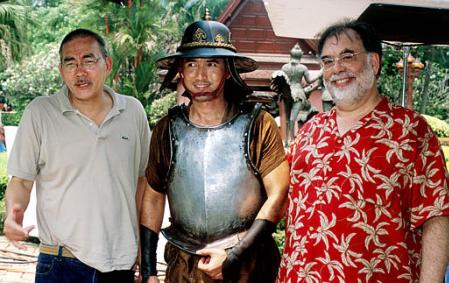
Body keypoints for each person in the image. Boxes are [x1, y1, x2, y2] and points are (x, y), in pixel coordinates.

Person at [277, 20, 449, 282]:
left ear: (374, 63)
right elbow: (276, 195)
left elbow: (436, 215)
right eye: (327, 61)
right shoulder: (310, 131)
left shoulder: (410, 130)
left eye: (347, 56)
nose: (337, 69)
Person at [140, 12, 289, 283]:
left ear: (227, 69)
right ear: (181, 72)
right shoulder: (167, 129)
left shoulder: (257, 124)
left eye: (212, 64)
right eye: (191, 64)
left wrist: (234, 257)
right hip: (185, 265)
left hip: (248, 263)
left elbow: (278, 195)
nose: (201, 75)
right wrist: (149, 271)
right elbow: (153, 195)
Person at [3, 28, 150, 283]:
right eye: (70, 63)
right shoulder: (41, 112)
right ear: (61, 71)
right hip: (60, 262)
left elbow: (142, 184)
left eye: (89, 60)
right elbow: (22, 181)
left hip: (119, 264)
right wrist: (13, 214)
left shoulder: (133, 112)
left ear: (108, 64)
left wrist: (141, 249)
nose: (79, 71)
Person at [271, 43, 319, 145]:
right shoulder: (303, 68)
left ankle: (287, 140)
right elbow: (309, 80)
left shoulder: (284, 67)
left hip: (287, 92)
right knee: (293, 118)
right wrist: (320, 72)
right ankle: (292, 140)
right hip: (298, 93)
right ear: (300, 55)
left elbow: (283, 80)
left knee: (287, 118)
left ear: (291, 54)